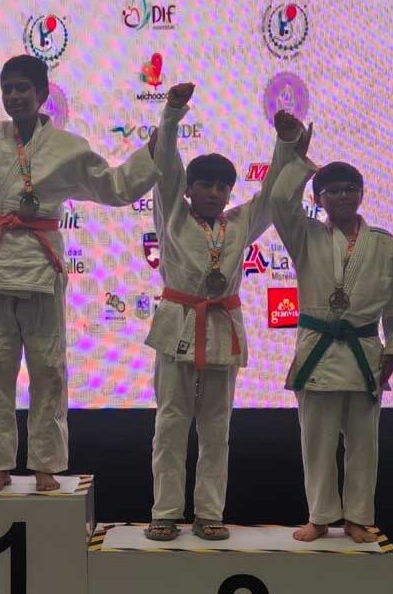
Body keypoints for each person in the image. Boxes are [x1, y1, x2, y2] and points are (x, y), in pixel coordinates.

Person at [0, 54, 160, 492]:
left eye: (22, 88)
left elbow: (114, 187)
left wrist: (157, 144)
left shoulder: (67, 149)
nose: (14, 96)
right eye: (7, 88)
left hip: (41, 268)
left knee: (48, 369)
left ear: (43, 94)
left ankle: (46, 465)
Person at [142, 84, 305, 541]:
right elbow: (167, 167)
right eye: (205, 185)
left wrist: (286, 143)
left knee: (217, 427)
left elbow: (272, 192)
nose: (214, 192)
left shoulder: (239, 225)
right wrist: (172, 113)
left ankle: (209, 512)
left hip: (221, 328)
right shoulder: (172, 214)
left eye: (222, 186)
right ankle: (166, 511)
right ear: (189, 189)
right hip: (178, 323)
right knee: (171, 422)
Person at [268, 122, 393, 543]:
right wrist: (297, 159)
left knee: (363, 444)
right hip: (318, 350)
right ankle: (319, 516)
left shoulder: (384, 244)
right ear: (319, 199)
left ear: (362, 194)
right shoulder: (306, 235)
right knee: (316, 441)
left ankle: (358, 517)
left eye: (351, 188)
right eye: (333, 190)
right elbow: (279, 200)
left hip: (366, 351)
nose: (344, 195)